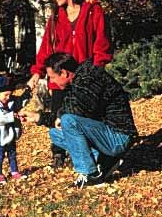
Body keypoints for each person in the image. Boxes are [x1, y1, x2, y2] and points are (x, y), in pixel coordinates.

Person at [27, 0, 113, 168]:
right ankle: (58, 153)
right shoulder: (56, 17)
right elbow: (46, 49)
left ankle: (92, 153)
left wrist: (97, 71)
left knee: (86, 114)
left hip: (84, 76)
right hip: (59, 76)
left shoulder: (93, 11)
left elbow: (102, 43)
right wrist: (37, 72)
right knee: (58, 112)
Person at [21, 52, 138, 189]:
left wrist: (48, 117)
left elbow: (74, 112)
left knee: (68, 121)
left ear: (64, 73)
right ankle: (104, 160)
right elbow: (67, 111)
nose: (51, 82)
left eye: (52, 77)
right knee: (55, 133)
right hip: (106, 134)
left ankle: (90, 175)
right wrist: (37, 117)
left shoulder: (90, 80)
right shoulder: (78, 81)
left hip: (118, 138)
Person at [0, 76, 32, 184]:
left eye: (10, 94)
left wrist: (28, 91)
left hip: (11, 135)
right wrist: (13, 115)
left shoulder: (11, 101)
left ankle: (14, 172)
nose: (8, 97)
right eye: (5, 95)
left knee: (12, 154)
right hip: (0, 138)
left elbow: (21, 101)